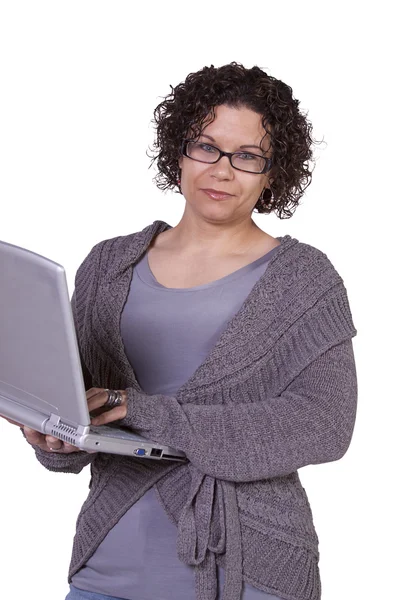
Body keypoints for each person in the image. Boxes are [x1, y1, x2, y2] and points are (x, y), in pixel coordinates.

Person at [4, 62, 358, 600]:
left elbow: (324, 425)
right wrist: (53, 436)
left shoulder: (303, 279)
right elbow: (84, 410)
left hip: (248, 570)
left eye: (247, 156)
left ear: (272, 173)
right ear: (178, 151)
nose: (221, 169)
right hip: (109, 564)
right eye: (206, 147)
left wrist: (146, 411)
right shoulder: (108, 265)